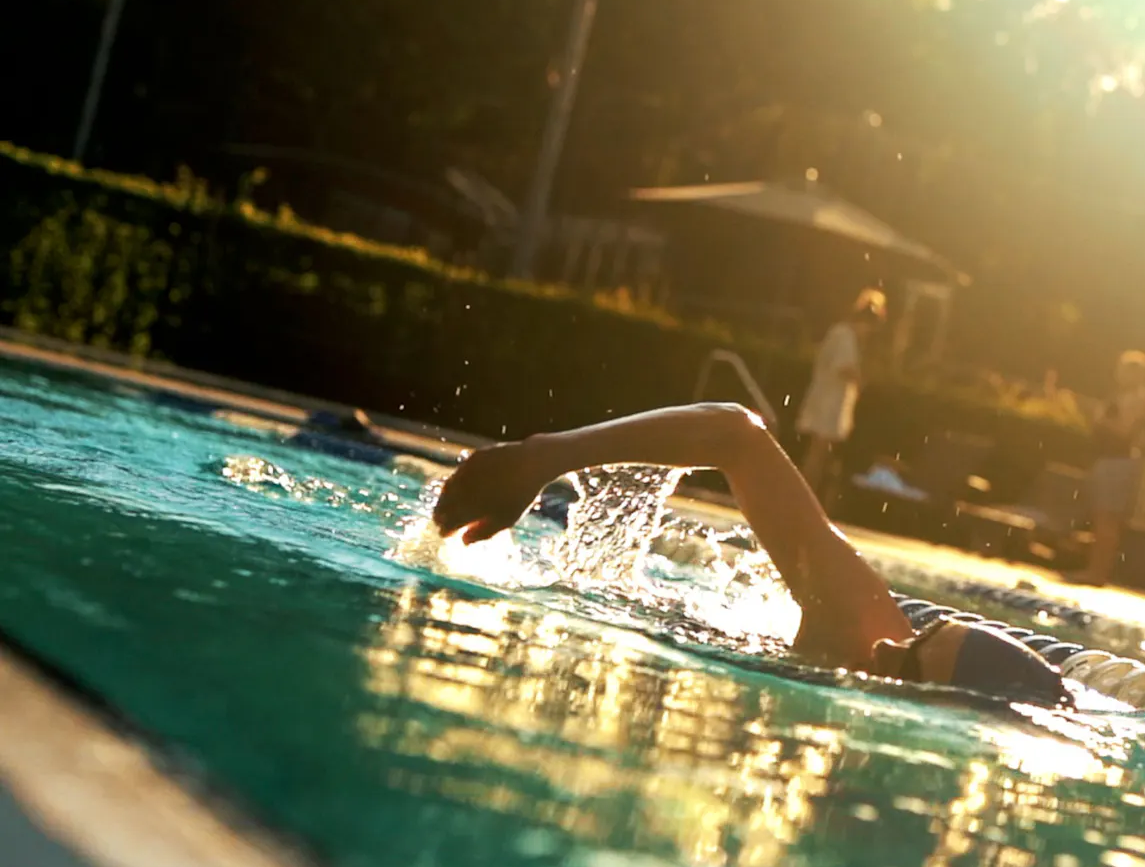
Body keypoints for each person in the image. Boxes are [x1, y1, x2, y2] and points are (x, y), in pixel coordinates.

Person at [431, 401, 1068, 704]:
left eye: (906, 666)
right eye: (916, 635)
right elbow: (733, 433)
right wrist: (545, 457)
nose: (885, 645)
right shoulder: (861, 626)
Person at [1066, 350, 1145, 586]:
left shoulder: (1136, 397)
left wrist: (1099, 418)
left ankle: (1097, 573)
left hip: (1118, 461)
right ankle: (1093, 570)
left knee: (1107, 521)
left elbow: (1125, 430)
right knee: (1100, 518)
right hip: (1109, 459)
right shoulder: (1124, 395)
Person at [797, 290, 886, 494]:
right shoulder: (844, 335)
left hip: (832, 402)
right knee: (817, 454)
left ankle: (808, 493)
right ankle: (804, 493)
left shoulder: (843, 334)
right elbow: (844, 368)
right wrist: (862, 379)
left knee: (821, 453)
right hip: (828, 403)